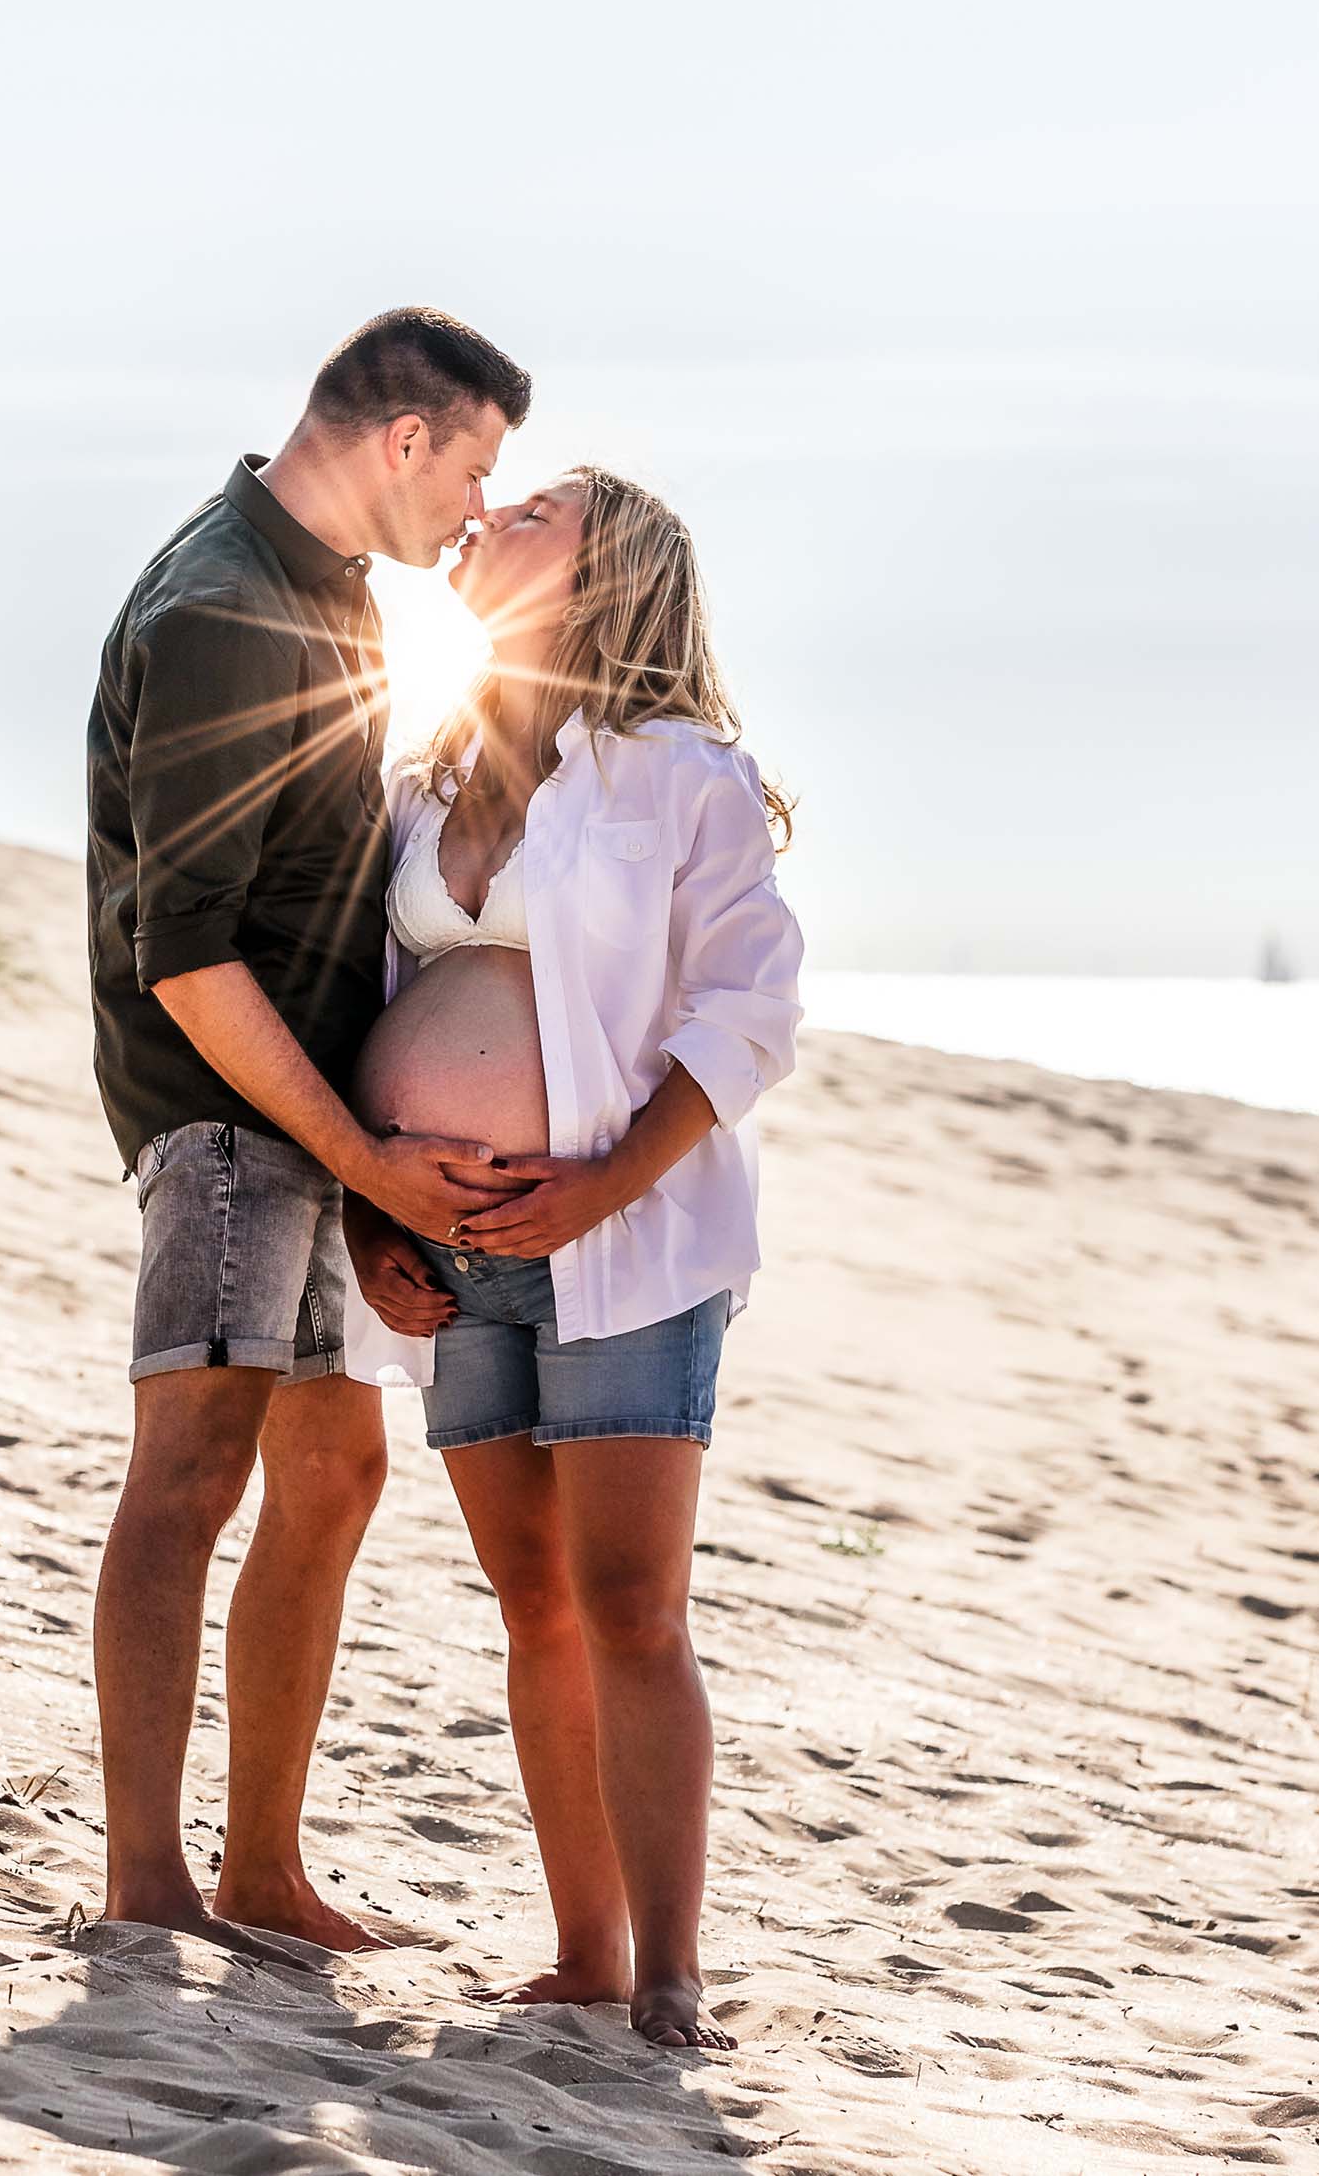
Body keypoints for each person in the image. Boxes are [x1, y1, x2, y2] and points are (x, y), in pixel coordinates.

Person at [80, 306, 535, 1954]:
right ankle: (148, 1883)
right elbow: (188, 956)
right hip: (222, 1114)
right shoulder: (219, 608)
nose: (481, 510)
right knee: (189, 1470)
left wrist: (365, 1167)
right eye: (476, 468)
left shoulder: (327, 595)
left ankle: (264, 1872)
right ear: (405, 442)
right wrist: (364, 1162)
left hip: (316, 1124)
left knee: (333, 1471)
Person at [343, 467, 804, 2050]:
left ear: (608, 573)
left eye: (532, 507)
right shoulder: (426, 773)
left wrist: (605, 1184)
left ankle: (670, 1970)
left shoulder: (680, 777)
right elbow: (367, 1013)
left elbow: (746, 1013)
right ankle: (586, 1950)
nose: (489, 511)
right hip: (449, 1246)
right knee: (530, 1598)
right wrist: (368, 1211)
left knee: (630, 1605)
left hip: (631, 1244)